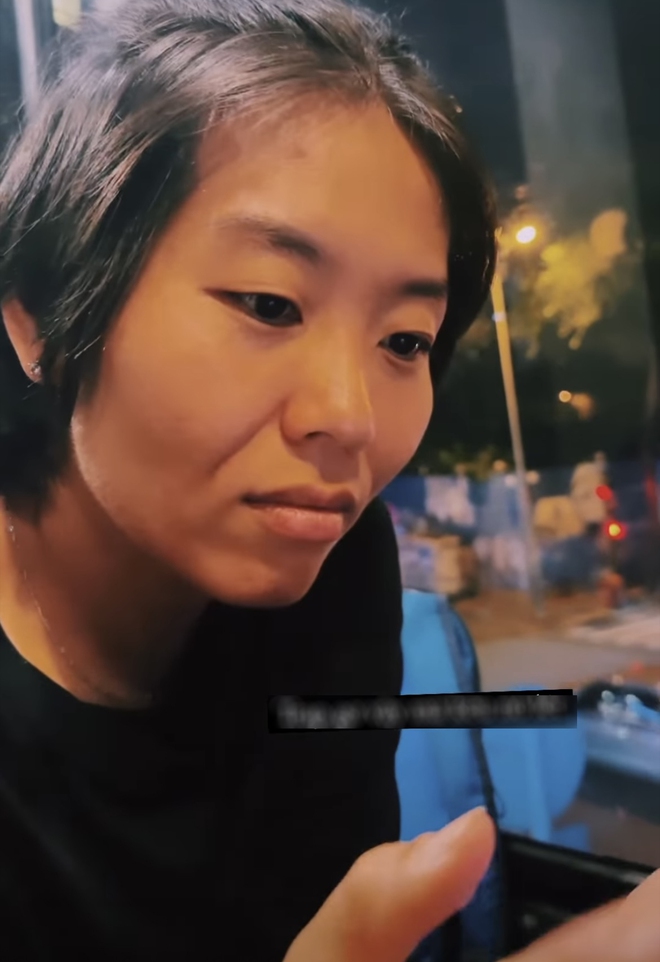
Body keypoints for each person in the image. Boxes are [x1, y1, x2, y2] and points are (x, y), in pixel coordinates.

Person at [0, 1, 657, 960]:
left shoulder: (331, 573)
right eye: (269, 304)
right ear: (40, 314)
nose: (351, 418)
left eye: (405, 342)